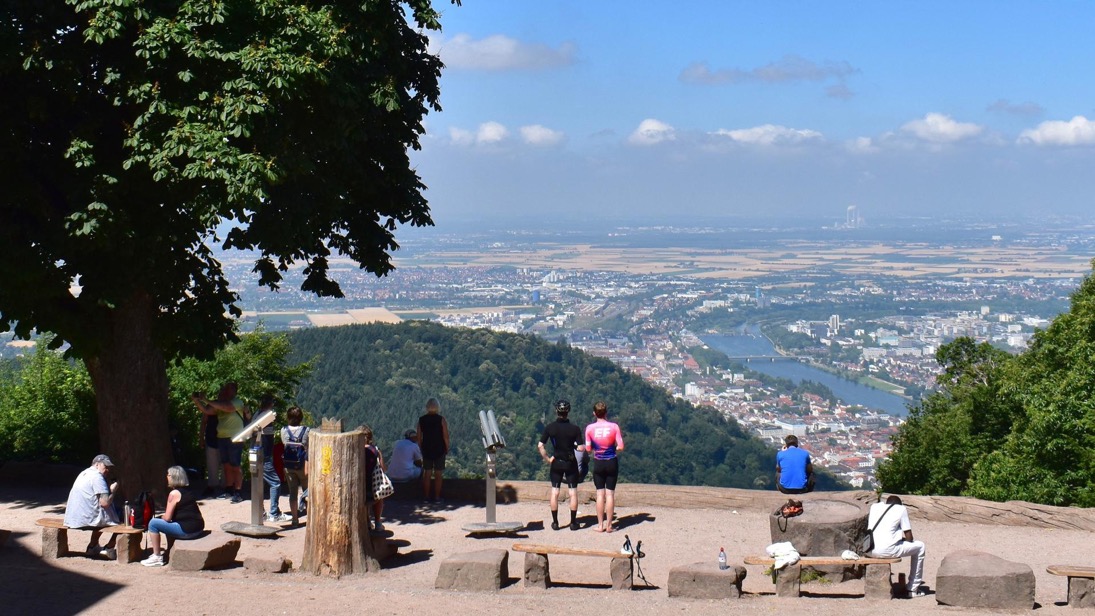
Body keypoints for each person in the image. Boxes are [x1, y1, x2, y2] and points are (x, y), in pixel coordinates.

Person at [192, 382, 250, 503]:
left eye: (226, 389)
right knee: (226, 465)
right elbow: (207, 411)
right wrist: (197, 401)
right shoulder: (218, 404)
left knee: (235, 465)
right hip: (222, 437)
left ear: (233, 391)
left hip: (235, 437)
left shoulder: (237, 402)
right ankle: (229, 490)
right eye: (224, 389)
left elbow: (227, 408)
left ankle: (237, 492)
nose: (224, 392)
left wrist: (205, 399)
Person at [140, 466, 206, 567]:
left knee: (153, 523)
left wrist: (160, 517)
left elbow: (167, 517)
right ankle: (168, 551)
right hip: (198, 527)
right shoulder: (188, 491)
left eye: (168, 475)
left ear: (174, 477)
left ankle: (157, 556)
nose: (167, 477)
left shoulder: (174, 493)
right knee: (166, 524)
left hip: (187, 530)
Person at [867, 495, 928, 597]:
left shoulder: (874, 507)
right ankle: (912, 589)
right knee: (920, 546)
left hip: (870, 549)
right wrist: (901, 539)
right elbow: (909, 538)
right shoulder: (901, 509)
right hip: (886, 550)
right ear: (899, 504)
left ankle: (912, 588)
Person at [538, 399, 584, 531]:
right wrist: (575, 445)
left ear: (556, 411)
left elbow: (540, 445)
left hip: (556, 462)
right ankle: (573, 523)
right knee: (573, 492)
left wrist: (547, 459)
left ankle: (555, 522)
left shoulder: (550, 428)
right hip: (570, 462)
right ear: (568, 411)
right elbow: (580, 448)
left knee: (555, 492)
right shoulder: (575, 429)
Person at [64, 454, 121, 559]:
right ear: (97, 464)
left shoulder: (83, 473)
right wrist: (113, 490)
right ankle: (110, 547)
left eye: (109, 467)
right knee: (124, 516)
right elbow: (105, 503)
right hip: (88, 520)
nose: (108, 469)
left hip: (74, 519)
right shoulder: (97, 477)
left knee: (102, 512)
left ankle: (92, 546)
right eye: (106, 466)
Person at [585, 401, 624, 533]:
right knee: (610, 494)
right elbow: (621, 446)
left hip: (599, 462)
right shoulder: (614, 427)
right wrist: (613, 449)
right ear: (606, 412)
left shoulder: (590, 429)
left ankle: (600, 525)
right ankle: (609, 526)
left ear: (594, 413)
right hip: (612, 461)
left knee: (600, 494)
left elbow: (589, 448)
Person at [257, 394, 290, 523]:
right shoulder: (266, 417)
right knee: (275, 483)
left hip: (260, 454)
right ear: (270, 404)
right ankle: (274, 513)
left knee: (259, 484)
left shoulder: (258, 415)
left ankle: (261, 513)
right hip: (264, 456)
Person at [417, 397, 449, 503]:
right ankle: (437, 497)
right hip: (439, 449)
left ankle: (426, 497)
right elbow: (445, 436)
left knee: (427, 473)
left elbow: (418, 437)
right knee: (438, 474)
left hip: (426, 449)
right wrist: (446, 447)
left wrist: (421, 447)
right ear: (437, 407)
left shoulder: (421, 420)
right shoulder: (441, 419)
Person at [281, 406, 309, 526]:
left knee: (293, 493)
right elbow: (308, 445)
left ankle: (295, 520)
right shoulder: (306, 430)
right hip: (303, 465)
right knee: (307, 492)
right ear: (301, 418)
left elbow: (284, 444)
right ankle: (310, 519)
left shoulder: (284, 430)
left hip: (289, 465)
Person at [361, 425, 386, 532]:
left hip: (360, 485)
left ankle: (366, 522)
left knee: (363, 502)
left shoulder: (357, 450)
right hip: (373, 485)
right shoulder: (375, 450)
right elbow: (382, 469)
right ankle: (377, 521)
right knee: (379, 498)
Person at [199, 412, 224, 498]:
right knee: (212, 465)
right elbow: (203, 422)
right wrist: (201, 438)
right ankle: (212, 485)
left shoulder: (229, 405)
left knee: (226, 464)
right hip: (211, 440)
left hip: (225, 440)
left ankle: (226, 486)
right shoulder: (209, 407)